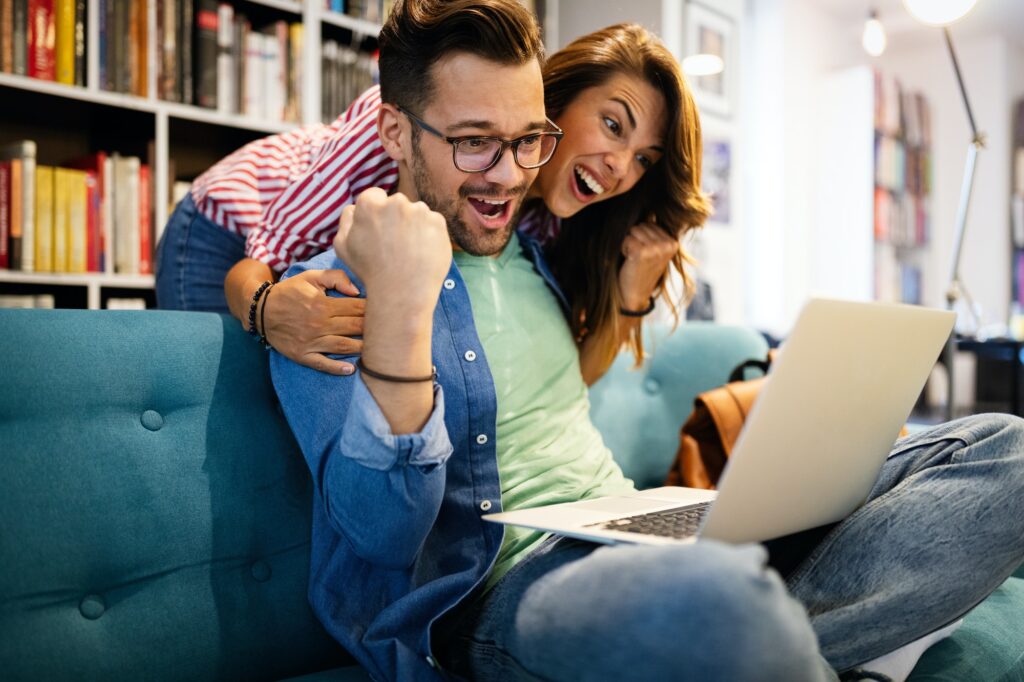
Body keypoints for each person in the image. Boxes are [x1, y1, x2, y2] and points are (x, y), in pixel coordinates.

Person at [269, 2, 1024, 681]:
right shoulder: (327, 294)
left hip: (638, 527)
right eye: (474, 143)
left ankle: (775, 639)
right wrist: (398, 314)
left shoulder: (541, 253)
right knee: (717, 600)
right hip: (506, 592)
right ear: (395, 131)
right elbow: (379, 538)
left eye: (529, 138)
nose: (507, 175)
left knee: (1005, 447)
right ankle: (797, 636)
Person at [156, 21, 700, 385]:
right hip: (230, 222)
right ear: (557, 96)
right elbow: (260, 257)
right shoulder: (399, 135)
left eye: (646, 159)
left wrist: (631, 295)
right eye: (612, 124)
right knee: (234, 411)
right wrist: (265, 308)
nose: (620, 166)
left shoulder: (555, 220)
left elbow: (566, 375)